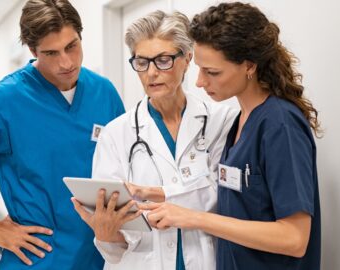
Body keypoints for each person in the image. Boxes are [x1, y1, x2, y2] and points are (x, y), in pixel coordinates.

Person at [0, 0, 125, 269]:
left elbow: (124, 165)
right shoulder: (1, 102)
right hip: (39, 256)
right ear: (32, 50)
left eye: (71, 46)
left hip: (101, 255)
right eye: (51, 53)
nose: (66, 62)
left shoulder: (104, 92)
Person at [139, 2, 322, 270]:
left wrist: (194, 218)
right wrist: (163, 195)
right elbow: (238, 203)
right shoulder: (239, 122)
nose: (200, 82)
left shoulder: (279, 124)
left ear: (249, 66)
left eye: (212, 72)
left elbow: (294, 238)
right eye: (200, 69)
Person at [72, 10, 237, 270]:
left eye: (163, 60)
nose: (150, 73)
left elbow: (221, 196)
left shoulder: (221, 120)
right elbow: (115, 247)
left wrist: (157, 195)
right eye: (141, 61)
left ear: (188, 58)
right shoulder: (116, 134)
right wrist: (105, 231)